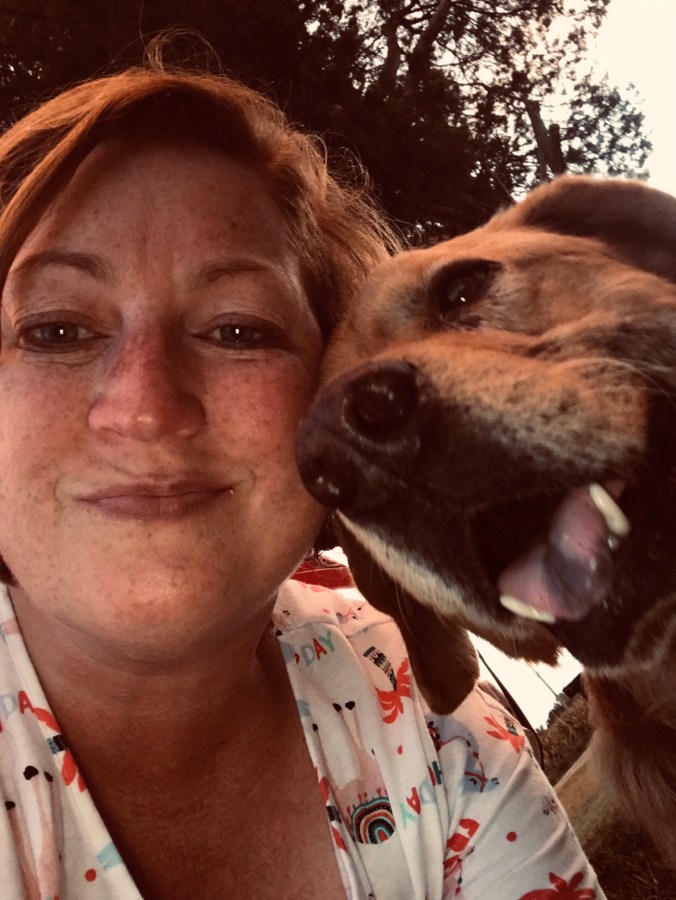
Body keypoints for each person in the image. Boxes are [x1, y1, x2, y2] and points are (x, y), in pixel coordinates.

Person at [0, 52, 606, 900]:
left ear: (336, 397)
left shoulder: (434, 722)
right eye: (56, 330)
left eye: (237, 331)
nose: (144, 407)